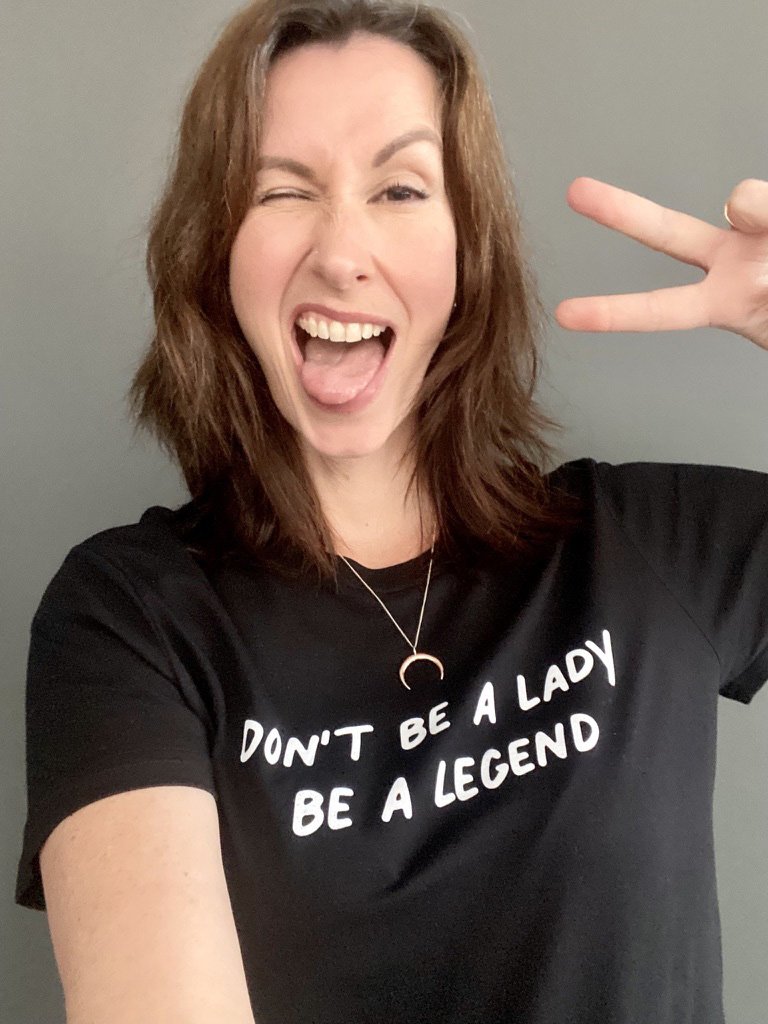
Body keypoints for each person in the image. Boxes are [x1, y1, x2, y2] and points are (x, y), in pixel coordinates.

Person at [14, 1, 768, 1022]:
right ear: (217, 250)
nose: (341, 250)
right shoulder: (130, 617)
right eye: (281, 190)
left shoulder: (648, 545)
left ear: (467, 252)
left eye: (402, 187)